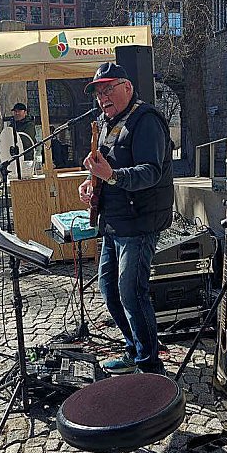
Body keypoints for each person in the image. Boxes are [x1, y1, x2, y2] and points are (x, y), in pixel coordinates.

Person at [78, 62, 174, 375]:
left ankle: (149, 366)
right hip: (113, 220)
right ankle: (135, 348)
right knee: (109, 289)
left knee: (132, 292)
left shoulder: (145, 120)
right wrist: (92, 183)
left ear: (127, 87)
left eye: (108, 89)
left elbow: (151, 171)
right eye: (98, 92)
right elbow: (104, 168)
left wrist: (113, 175)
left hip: (139, 221)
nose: (102, 97)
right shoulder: (106, 123)